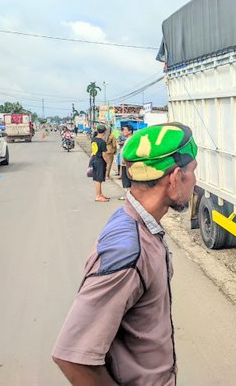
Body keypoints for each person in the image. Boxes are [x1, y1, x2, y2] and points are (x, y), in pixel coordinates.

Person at [52, 122, 198, 385]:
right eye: (193, 171)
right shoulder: (128, 250)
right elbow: (72, 357)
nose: (196, 182)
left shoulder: (140, 223)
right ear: (176, 177)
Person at [90, 124, 109, 202]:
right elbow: (104, 154)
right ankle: (98, 196)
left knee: (99, 178)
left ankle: (100, 194)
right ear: (104, 132)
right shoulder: (102, 142)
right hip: (100, 160)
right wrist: (107, 162)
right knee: (99, 179)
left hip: (94, 159)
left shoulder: (93, 139)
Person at [119, 124, 135, 200]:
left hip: (127, 163)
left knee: (127, 179)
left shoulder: (130, 139)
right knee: (125, 178)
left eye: (125, 130)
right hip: (125, 163)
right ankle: (128, 195)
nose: (123, 131)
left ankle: (129, 196)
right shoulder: (128, 139)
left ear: (130, 131)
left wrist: (124, 159)